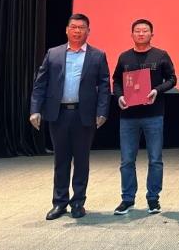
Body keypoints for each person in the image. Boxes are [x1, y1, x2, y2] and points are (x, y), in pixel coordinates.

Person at [29, 13, 110, 220]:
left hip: (84, 115)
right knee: (61, 160)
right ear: (67, 30)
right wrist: (35, 109)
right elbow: (40, 83)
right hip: (58, 114)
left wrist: (102, 111)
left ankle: (78, 202)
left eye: (81, 27)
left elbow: (104, 86)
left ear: (88, 31)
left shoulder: (97, 55)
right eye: (73, 27)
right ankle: (59, 203)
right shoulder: (53, 53)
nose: (77, 31)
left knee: (82, 160)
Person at [111, 19, 176, 215]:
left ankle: (153, 198)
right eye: (137, 31)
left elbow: (172, 79)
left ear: (151, 34)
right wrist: (119, 96)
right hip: (128, 116)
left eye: (145, 31)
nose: (141, 34)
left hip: (153, 115)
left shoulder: (161, 55)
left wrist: (157, 90)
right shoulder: (124, 57)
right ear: (132, 34)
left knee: (155, 159)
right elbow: (116, 81)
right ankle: (127, 199)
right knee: (127, 160)